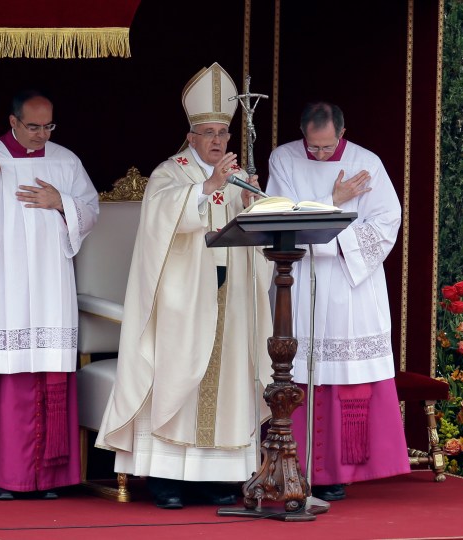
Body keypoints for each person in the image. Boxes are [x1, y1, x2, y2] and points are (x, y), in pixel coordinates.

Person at [95, 63, 273, 509]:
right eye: (208, 133)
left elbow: (252, 238)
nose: (217, 141)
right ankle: (167, 478)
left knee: (226, 382)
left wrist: (251, 202)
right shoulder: (169, 173)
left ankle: (217, 477)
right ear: (191, 137)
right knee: (178, 380)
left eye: (222, 133)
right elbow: (160, 225)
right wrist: (207, 189)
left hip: (229, 300)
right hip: (180, 304)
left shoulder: (235, 176)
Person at [0, 89, 100, 500]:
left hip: (48, 286)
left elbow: (91, 210)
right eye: (33, 126)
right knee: (2, 372)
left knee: (45, 369)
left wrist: (60, 201)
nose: (42, 134)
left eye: (48, 126)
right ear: (13, 122)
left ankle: (47, 479)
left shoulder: (65, 161)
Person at [265, 102, 410, 501]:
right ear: (302, 134)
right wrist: (336, 199)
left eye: (328, 148)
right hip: (294, 280)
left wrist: (332, 245)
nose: (321, 154)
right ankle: (288, 464)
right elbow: (279, 216)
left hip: (349, 287)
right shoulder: (285, 158)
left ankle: (336, 473)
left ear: (341, 134)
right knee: (294, 373)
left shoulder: (368, 163)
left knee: (342, 376)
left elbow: (386, 223)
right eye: (314, 147)